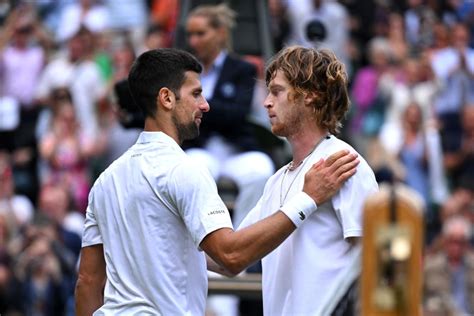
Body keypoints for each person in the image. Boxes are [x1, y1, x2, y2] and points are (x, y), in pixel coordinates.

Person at [74, 48, 359, 315]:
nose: (205, 105)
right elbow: (231, 256)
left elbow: (87, 280)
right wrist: (307, 199)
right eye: (196, 93)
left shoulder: (105, 180)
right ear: (167, 98)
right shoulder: (185, 170)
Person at [237, 46, 379, 315]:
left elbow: (373, 264)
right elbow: (231, 255)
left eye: (276, 91)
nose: (266, 102)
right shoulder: (275, 181)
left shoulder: (345, 163)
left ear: (311, 95)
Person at [184, 3, 275, 227]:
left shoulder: (242, 69)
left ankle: (243, 241)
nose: (194, 41)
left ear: (221, 33)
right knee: (193, 171)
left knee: (261, 170)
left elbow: (238, 113)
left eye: (200, 33)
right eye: (190, 35)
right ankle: (205, 242)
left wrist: (197, 104)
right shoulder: (184, 71)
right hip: (200, 147)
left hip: (237, 149)